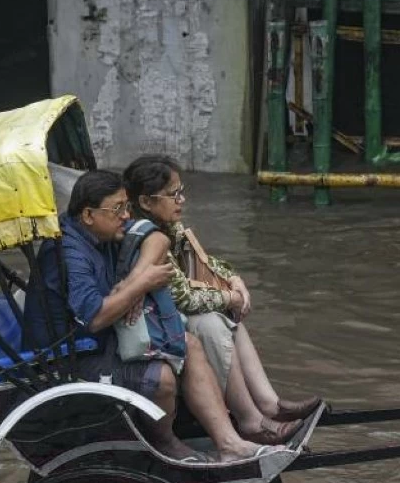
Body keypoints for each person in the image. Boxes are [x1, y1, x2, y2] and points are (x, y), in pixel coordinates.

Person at [22, 169, 265, 464]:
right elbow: (95, 318)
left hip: (99, 340)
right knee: (162, 378)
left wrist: (132, 283)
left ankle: (229, 442)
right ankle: (164, 440)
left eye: (127, 206)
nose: (126, 215)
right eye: (118, 209)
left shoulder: (104, 231)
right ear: (88, 214)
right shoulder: (69, 253)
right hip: (72, 356)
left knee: (189, 343)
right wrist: (142, 284)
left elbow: (155, 238)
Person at [121, 157, 321, 442]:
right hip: (153, 324)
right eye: (173, 194)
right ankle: (250, 421)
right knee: (212, 321)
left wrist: (233, 279)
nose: (182, 199)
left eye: (181, 191)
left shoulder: (169, 228)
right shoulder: (146, 237)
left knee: (224, 315)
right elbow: (184, 298)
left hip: (167, 315)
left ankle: (268, 404)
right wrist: (231, 298)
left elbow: (205, 260)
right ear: (146, 201)